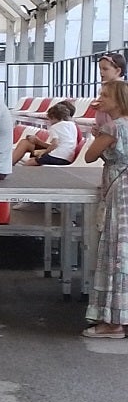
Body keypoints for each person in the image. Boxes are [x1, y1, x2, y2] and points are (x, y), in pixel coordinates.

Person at [81, 79, 128, 339]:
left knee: (115, 251)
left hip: (119, 190)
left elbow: (89, 155)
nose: (100, 99)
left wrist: (98, 137)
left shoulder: (113, 127)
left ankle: (113, 322)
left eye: (105, 95)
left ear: (118, 101)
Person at [12, 100, 79, 166]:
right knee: (25, 143)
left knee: (27, 150)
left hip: (58, 155)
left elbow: (56, 145)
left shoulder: (55, 127)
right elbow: (64, 145)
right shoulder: (72, 126)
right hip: (66, 157)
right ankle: (9, 166)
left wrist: (42, 149)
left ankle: (9, 167)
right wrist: (37, 141)